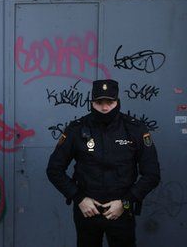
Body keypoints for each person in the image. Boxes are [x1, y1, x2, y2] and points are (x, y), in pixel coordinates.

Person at [46, 79, 160, 247]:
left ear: (117, 102)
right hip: (87, 211)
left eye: (110, 102)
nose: (105, 108)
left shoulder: (135, 129)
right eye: (99, 102)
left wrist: (125, 202)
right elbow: (54, 169)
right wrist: (79, 198)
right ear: (92, 103)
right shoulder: (76, 130)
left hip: (121, 211)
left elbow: (152, 174)